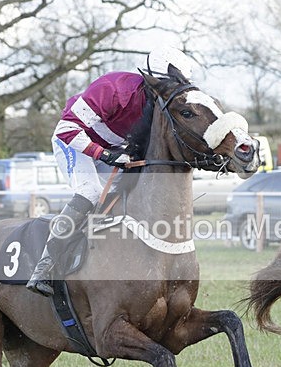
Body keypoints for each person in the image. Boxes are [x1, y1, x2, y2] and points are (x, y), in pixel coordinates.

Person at [26, 47, 198, 296]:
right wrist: (106, 155)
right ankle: (44, 266)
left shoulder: (161, 107)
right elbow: (67, 128)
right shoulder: (114, 87)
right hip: (74, 142)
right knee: (91, 192)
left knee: (123, 196)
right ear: (151, 81)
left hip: (110, 148)